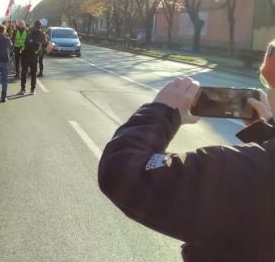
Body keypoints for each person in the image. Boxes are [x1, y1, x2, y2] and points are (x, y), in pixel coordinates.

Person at [98, 49, 275, 261]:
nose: (270, 94)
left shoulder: (244, 171)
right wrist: (267, 134)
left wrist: (160, 112)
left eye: (271, 84)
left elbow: (120, 169)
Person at [18, 20, 46, 95]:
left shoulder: (30, 32)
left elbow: (25, 43)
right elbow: (45, 45)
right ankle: (32, 90)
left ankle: (23, 89)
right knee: (33, 74)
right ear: (40, 26)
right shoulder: (42, 34)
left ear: (34, 25)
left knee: (24, 72)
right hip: (34, 56)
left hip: (26, 54)